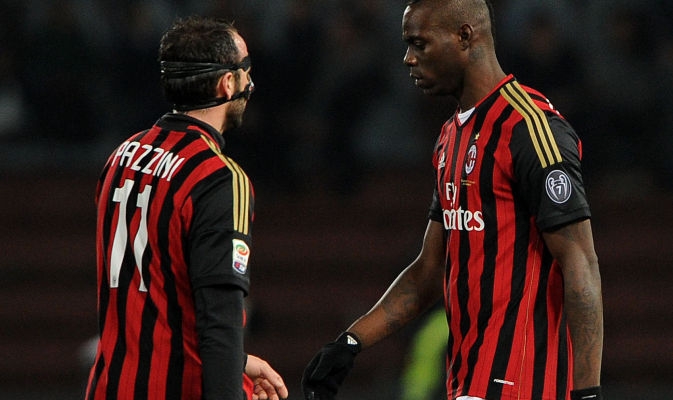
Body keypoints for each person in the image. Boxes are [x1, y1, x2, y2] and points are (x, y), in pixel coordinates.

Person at [301, 1, 603, 399]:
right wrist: (351, 342)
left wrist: (587, 392)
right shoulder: (450, 137)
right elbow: (428, 270)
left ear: (464, 36)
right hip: (468, 378)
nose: (408, 59)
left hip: (521, 383)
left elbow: (581, 263)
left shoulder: (530, 129)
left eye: (419, 44)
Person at [85, 16, 288, 400]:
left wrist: (239, 361)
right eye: (246, 69)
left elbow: (158, 300)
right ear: (227, 83)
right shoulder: (219, 178)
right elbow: (220, 320)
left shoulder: (121, 156)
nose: (250, 81)